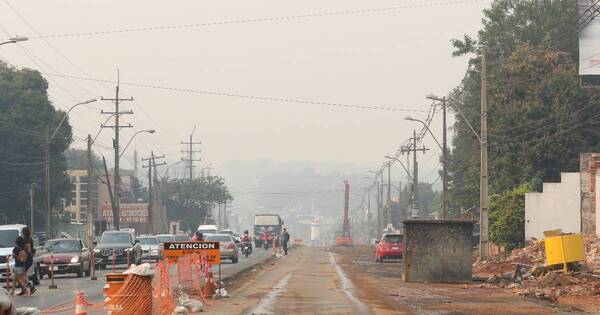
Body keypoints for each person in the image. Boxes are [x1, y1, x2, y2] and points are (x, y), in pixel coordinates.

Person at [21, 227, 36, 294]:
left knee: (21, 273)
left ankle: (30, 285)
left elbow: (28, 248)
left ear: (24, 232)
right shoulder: (30, 238)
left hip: (27, 258)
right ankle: (24, 289)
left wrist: (25, 256)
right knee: (23, 273)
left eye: (22, 232)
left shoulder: (27, 239)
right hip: (29, 257)